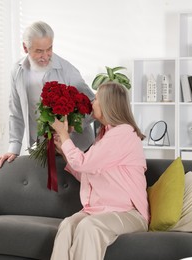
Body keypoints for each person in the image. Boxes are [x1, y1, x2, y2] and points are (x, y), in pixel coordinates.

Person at [49, 82, 149, 260]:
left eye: (96, 99)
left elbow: (83, 164)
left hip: (128, 213)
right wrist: (64, 151)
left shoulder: (123, 134)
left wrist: (64, 136)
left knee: (89, 227)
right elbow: (87, 173)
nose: (92, 102)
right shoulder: (105, 135)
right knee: (67, 225)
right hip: (99, 211)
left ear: (107, 104)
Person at [0, 21, 95, 168]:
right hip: (44, 151)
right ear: (25, 47)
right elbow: (16, 112)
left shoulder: (67, 70)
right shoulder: (17, 71)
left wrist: (71, 126)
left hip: (78, 149)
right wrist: (13, 149)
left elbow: (92, 105)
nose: (45, 56)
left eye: (49, 49)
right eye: (39, 51)